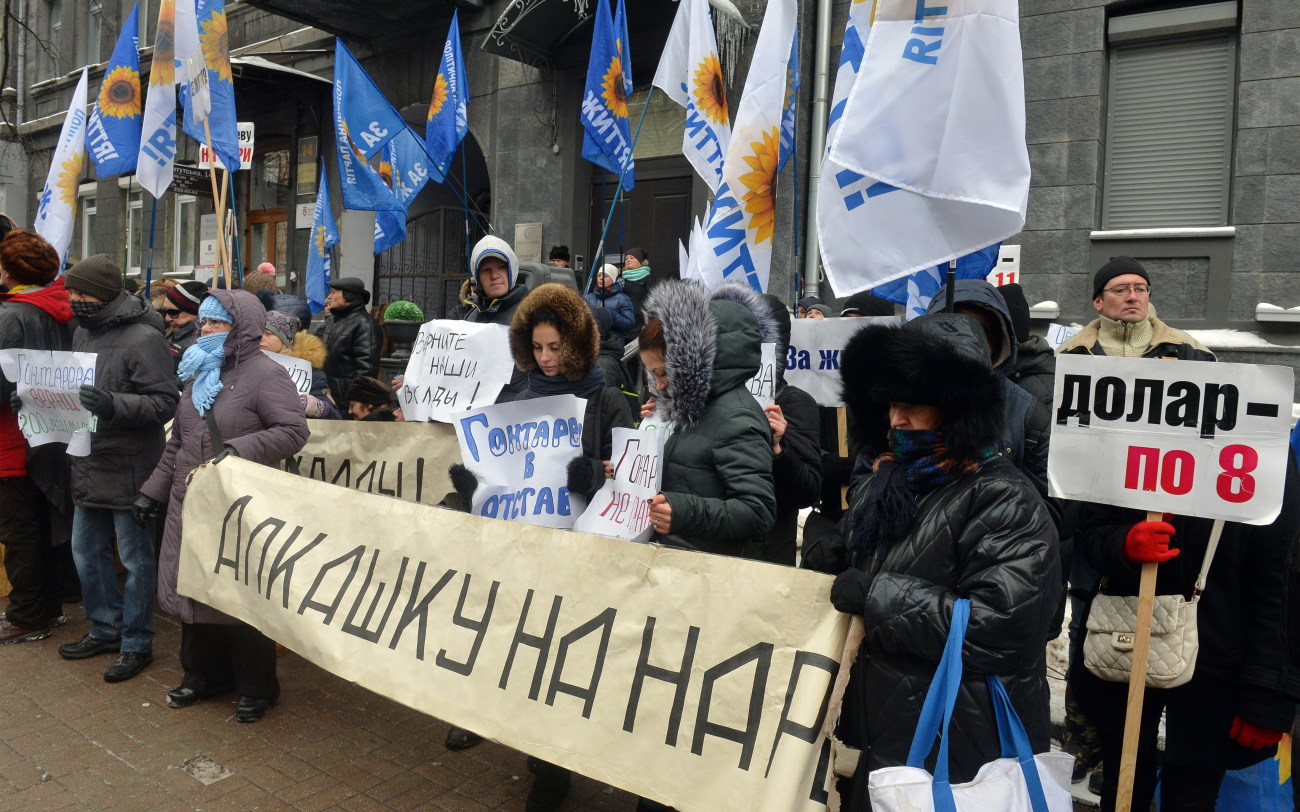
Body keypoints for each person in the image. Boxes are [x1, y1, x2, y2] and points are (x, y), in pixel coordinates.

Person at [827, 312, 1061, 809]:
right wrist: (837, 552)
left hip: (964, 745)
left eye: (912, 405)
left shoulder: (1003, 498)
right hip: (889, 731)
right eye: (890, 404)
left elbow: (1006, 626)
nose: (896, 420)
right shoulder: (889, 479)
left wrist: (878, 597)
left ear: (954, 410)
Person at [443, 284, 635, 780]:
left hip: (580, 550)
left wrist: (593, 476)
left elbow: (634, 482)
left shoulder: (607, 399)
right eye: (537, 347)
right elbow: (502, 471)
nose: (546, 358)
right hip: (520, 545)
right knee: (505, 632)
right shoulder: (518, 395)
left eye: (556, 347)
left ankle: (551, 766)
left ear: (578, 342)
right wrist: (473, 489)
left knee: (559, 654)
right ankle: (484, 713)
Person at [133, 290, 309, 722]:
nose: (204, 329)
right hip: (190, 502)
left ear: (242, 329)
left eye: (215, 323)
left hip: (239, 504)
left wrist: (239, 448)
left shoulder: (266, 375)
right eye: (204, 322)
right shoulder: (199, 372)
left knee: (240, 594)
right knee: (194, 588)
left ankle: (257, 687)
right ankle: (202, 676)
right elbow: (178, 443)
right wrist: (151, 492)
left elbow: (292, 430)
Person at [56, 255, 177, 681]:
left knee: (135, 558)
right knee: (86, 554)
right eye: (71, 291)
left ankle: (136, 641)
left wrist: (113, 405)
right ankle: (105, 626)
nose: (73, 299)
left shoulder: (144, 338)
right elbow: (72, 391)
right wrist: (37, 402)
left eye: (80, 292)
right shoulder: (83, 332)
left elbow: (165, 402)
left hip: (128, 466)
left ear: (104, 294)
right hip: (88, 460)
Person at [639, 281, 777, 556]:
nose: (661, 386)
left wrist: (682, 512)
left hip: (709, 573)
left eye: (664, 373)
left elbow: (757, 511)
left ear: (690, 362)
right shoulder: (692, 408)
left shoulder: (736, 417)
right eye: (653, 375)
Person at [924, 279, 1058, 529]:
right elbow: (864, 486)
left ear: (998, 341)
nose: (961, 340)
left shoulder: (1028, 414)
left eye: (977, 330)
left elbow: (1049, 514)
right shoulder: (898, 403)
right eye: (949, 327)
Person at [0, 229, 76, 643]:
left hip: (14, 439)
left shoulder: (12, 315)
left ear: (9, 271)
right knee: (45, 522)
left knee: (20, 529)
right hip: (54, 433)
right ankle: (46, 607)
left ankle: (27, 615)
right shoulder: (62, 307)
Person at [757, 295, 822, 566]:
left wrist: (780, 450)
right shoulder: (711, 398)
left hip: (765, 556)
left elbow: (807, 492)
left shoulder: (794, 402)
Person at [1057, 256, 1215, 361]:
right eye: (1120, 290)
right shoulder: (1069, 352)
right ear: (1099, 302)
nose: (1132, 297)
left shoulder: (1188, 348)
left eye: (1140, 289)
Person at [464, 235, 530, 399]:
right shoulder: (471, 316)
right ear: (477, 276)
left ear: (512, 269)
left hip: (517, 416)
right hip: (475, 414)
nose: (495, 275)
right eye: (486, 270)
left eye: (501, 267)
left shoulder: (531, 312)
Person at [314, 277, 381, 405]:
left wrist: (355, 401)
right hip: (325, 395)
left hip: (345, 402)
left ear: (347, 296)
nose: (329, 297)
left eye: (334, 293)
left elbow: (366, 370)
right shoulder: (333, 320)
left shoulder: (365, 325)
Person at [260, 310, 338, 419]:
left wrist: (317, 407)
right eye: (258, 332)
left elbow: (335, 417)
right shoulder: (245, 365)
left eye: (267, 333)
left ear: (285, 340)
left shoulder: (310, 373)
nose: (260, 337)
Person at [162, 280, 209, 368]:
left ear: (195, 314)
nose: (167, 318)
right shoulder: (166, 333)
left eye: (173, 312)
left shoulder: (200, 345)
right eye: (164, 311)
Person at [583, 263, 635, 340]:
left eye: (605, 276)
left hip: (613, 341)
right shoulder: (588, 297)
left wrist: (612, 315)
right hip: (592, 341)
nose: (601, 278)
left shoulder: (622, 299)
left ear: (613, 279)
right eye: (599, 275)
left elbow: (629, 323)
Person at [620, 247, 652, 322]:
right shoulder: (621, 279)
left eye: (632, 258)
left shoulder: (647, 279)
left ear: (640, 262)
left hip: (640, 321)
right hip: (623, 320)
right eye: (626, 258)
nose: (628, 260)